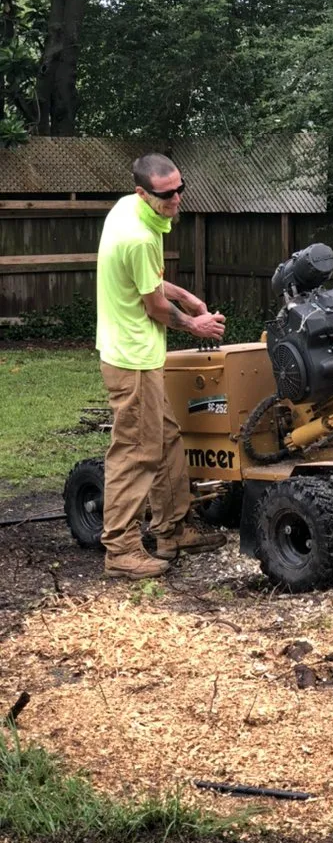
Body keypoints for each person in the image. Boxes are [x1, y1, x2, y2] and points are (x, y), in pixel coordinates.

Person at [96, 152, 228, 580]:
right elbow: (154, 305)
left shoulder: (132, 209)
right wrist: (196, 323)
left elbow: (149, 280)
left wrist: (186, 294)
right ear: (143, 192)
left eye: (180, 188)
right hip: (130, 359)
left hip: (143, 356)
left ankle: (172, 530)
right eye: (167, 194)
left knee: (168, 439)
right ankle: (121, 548)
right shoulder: (136, 234)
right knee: (136, 453)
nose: (177, 199)